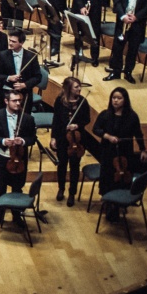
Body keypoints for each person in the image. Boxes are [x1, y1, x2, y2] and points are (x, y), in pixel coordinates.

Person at [92, 87, 147, 222]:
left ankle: (121, 200)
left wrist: (143, 149)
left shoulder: (132, 116)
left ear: (125, 100)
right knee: (108, 176)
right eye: (113, 98)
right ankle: (109, 202)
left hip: (125, 151)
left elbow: (138, 134)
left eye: (119, 98)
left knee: (124, 175)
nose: (115, 101)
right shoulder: (105, 114)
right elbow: (96, 129)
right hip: (108, 152)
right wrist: (108, 136)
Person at [0, 90, 37, 228]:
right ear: (6, 101)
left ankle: (16, 214)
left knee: (17, 187)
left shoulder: (27, 118)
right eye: (14, 100)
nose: (18, 103)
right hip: (3, 158)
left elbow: (33, 138)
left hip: (19, 159)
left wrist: (23, 141)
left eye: (19, 100)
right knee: (1, 188)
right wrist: (3, 141)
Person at [50, 76, 91, 207]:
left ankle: (72, 193)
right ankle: (61, 188)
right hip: (62, 137)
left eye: (79, 86)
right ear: (68, 88)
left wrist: (77, 125)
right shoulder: (59, 101)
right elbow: (55, 120)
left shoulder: (82, 102)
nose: (79, 89)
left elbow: (87, 119)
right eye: (76, 87)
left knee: (74, 166)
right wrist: (53, 137)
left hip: (78, 139)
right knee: (62, 165)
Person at [0, 28, 39, 96]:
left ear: (21, 43)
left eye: (13, 41)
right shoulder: (3, 55)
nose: (10, 43)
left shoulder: (31, 57)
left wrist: (25, 85)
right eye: (10, 40)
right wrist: (8, 78)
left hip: (24, 93)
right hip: (6, 92)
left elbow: (38, 77)